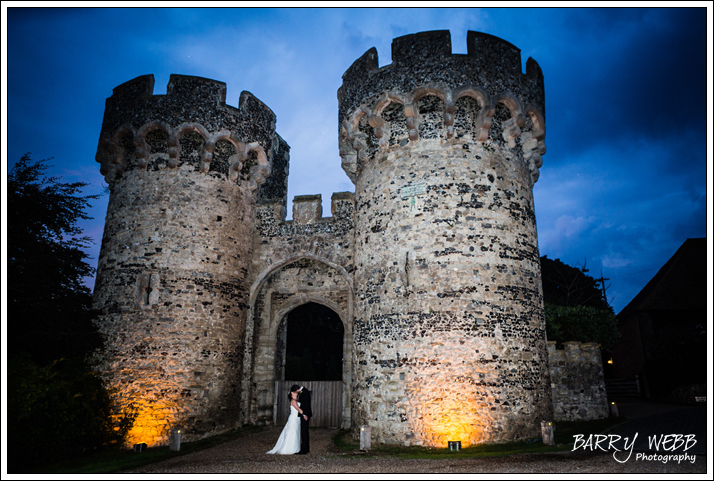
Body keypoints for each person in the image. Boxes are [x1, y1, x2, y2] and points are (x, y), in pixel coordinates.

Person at [266, 389, 304, 455]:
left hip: (297, 418)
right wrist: (304, 414)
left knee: (296, 432)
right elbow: (298, 409)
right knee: (292, 432)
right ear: (292, 395)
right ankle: (287, 448)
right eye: (294, 393)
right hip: (293, 418)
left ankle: (295, 448)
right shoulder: (293, 401)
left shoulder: (296, 400)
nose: (296, 393)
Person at [291, 384, 312, 454]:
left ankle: (304, 450)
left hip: (305, 414)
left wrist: (304, 414)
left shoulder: (304, 392)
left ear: (297, 390)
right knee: (304, 431)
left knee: (304, 432)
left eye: (295, 392)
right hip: (304, 414)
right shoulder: (304, 391)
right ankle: (306, 449)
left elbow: (306, 404)